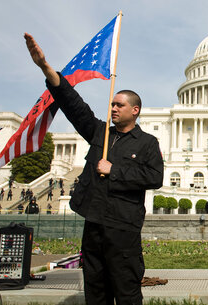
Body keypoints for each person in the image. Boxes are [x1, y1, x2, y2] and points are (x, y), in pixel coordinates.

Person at [25, 33, 164, 305]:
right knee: (95, 292)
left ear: (134, 110)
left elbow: (154, 177)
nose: (113, 107)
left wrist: (115, 170)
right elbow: (72, 104)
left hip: (123, 229)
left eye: (119, 105)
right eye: (112, 104)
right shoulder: (100, 133)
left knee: (126, 292)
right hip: (94, 224)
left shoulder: (148, 142)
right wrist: (45, 67)